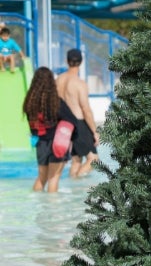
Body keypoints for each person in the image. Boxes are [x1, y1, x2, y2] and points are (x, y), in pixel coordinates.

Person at [23, 67, 77, 193]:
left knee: (42, 178)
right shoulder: (55, 102)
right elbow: (72, 120)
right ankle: (52, 211)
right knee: (54, 179)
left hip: (40, 144)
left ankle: (37, 205)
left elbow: (32, 127)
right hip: (57, 143)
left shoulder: (30, 103)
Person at [56, 48, 99, 178]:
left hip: (64, 123)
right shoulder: (80, 84)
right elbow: (85, 109)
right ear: (81, 62)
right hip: (79, 124)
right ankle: (78, 180)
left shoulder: (58, 80)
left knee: (76, 160)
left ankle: (74, 190)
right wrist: (94, 131)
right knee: (94, 160)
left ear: (66, 61)